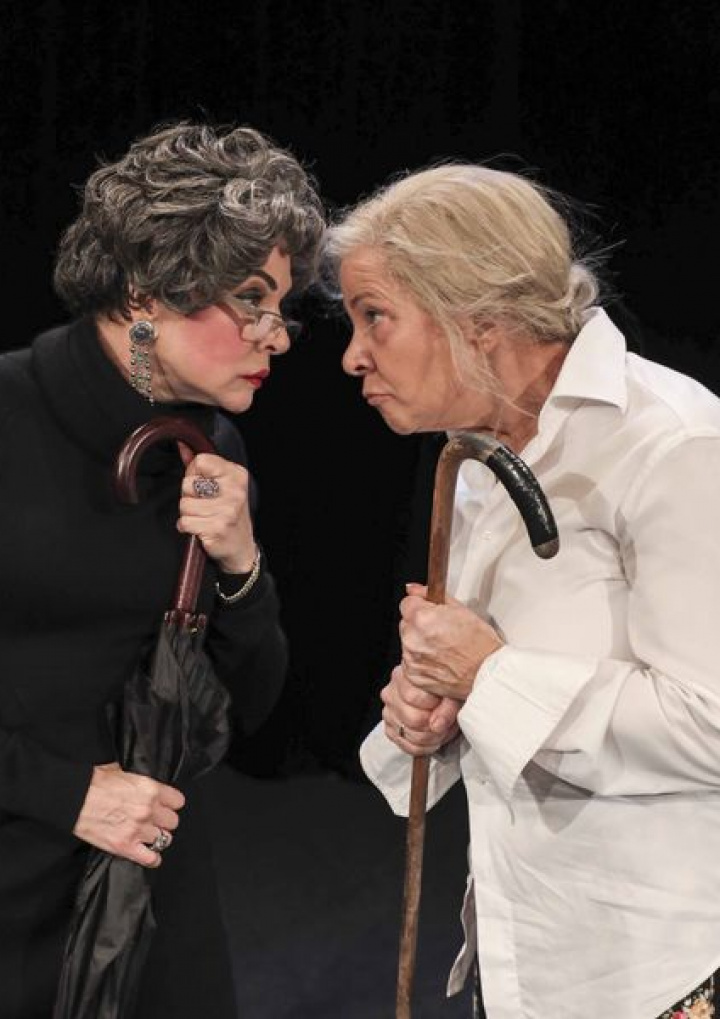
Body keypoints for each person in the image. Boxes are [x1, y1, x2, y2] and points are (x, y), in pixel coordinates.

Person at [324, 162, 720, 1018]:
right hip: (529, 956)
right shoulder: (480, 454)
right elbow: (513, 690)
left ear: (479, 317)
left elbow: (711, 720)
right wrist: (436, 709)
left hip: (663, 971)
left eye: (375, 315)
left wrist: (489, 677)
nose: (353, 354)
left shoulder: (674, 444)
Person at [0, 120, 324, 1018]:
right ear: (148, 291)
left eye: (282, 307)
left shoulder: (210, 448)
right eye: (250, 300)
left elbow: (249, 707)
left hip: (144, 879)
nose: (277, 336)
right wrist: (68, 792)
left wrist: (242, 565)